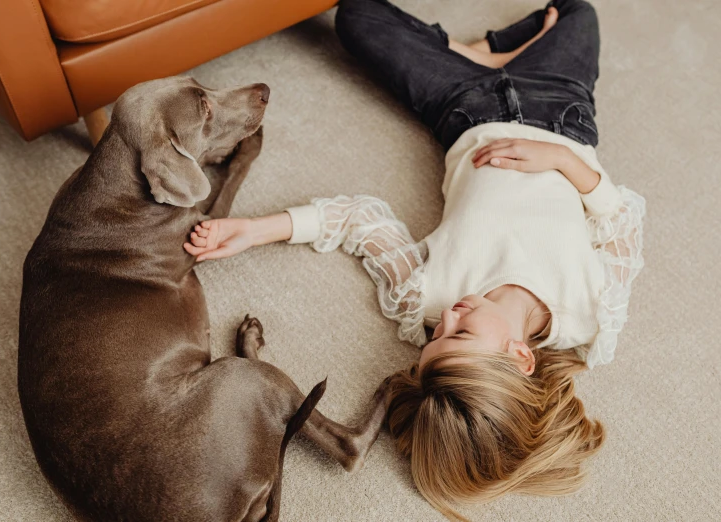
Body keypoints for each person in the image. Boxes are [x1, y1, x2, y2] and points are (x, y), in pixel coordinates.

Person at [183, 0, 645, 519]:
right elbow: (621, 219)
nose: (446, 319)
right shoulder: (592, 313)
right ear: (521, 355)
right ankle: (498, 53)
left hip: (463, 107)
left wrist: (256, 231)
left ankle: (481, 60)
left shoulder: (422, 297)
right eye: (461, 333)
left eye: (436, 337)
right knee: (579, 11)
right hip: (563, 111)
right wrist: (564, 161)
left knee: (356, 16)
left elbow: (362, 223)